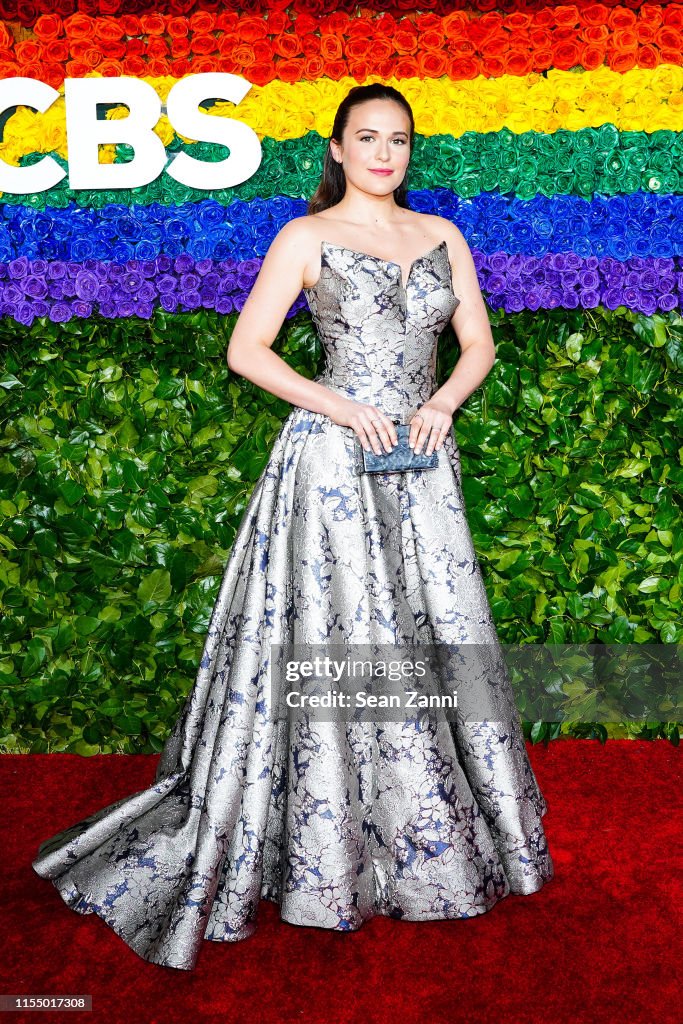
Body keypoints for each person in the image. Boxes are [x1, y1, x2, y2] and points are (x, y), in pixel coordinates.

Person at [32, 82, 554, 972]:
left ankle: (423, 826)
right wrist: (343, 407)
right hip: (331, 467)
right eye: (367, 138)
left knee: (431, 636)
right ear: (339, 150)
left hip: (424, 463)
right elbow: (248, 349)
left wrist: (442, 402)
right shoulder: (305, 237)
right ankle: (324, 844)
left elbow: (478, 344)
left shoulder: (442, 237)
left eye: (397, 139)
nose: (384, 153)